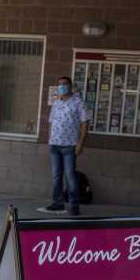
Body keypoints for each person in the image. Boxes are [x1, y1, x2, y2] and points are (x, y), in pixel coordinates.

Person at [45, 75, 87, 215]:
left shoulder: (78, 102)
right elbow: (51, 122)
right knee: (56, 176)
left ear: (71, 86)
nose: (62, 87)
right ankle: (58, 203)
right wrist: (50, 139)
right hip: (55, 145)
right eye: (60, 84)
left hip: (70, 145)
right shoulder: (56, 103)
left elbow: (85, 123)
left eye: (64, 84)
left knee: (70, 175)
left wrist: (80, 143)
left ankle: (74, 205)